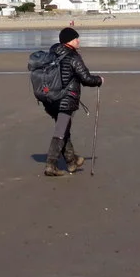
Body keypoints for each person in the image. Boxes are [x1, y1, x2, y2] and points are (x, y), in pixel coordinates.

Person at [43, 27, 102, 176]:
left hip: (50, 98)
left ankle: (72, 161)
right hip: (66, 98)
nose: (78, 40)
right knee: (61, 131)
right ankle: (51, 164)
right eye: (76, 38)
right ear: (69, 40)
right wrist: (99, 80)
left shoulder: (52, 53)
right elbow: (86, 79)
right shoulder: (73, 56)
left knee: (64, 129)